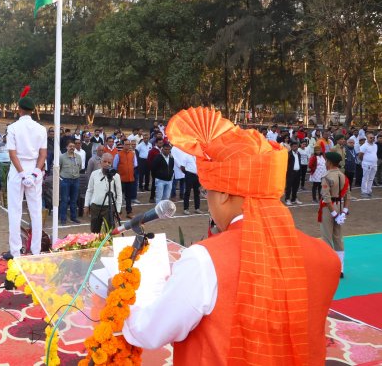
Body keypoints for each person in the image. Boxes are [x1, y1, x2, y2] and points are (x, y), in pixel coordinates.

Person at [123, 107, 340, 364]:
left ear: (225, 194)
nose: (209, 202)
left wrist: (123, 297)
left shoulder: (205, 260)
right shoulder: (325, 256)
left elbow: (149, 332)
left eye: (208, 192)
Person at [4, 86, 47, 259]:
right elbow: (43, 153)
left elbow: (12, 154)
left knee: (15, 211)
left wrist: (22, 174)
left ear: (19, 110)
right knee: (35, 211)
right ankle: (35, 251)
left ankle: (16, 251)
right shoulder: (41, 129)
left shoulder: (13, 127)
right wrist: (35, 173)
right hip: (34, 168)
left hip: (17, 170)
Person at [319, 151, 350, 277]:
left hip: (329, 209)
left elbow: (326, 198)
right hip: (340, 206)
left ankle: (329, 266)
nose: (325, 162)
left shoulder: (327, 176)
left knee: (326, 237)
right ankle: (340, 268)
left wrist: (334, 214)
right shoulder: (344, 176)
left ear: (330, 163)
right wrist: (343, 213)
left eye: (326, 161)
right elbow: (348, 196)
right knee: (338, 238)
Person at [84, 153, 122, 233]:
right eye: (104, 161)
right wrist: (86, 205)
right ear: (100, 162)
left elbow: (119, 194)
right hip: (95, 207)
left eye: (109, 162)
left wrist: (118, 210)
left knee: (110, 232)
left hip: (109, 207)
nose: (106, 164)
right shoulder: (94, 174)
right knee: (94, 232)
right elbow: (89, 190)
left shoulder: (116, 176)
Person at [113, 139, 139, 218]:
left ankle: (129, 212)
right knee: (119, 196)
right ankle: (118, 212)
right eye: (126, 144)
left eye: (129, 144)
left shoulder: (132, 154)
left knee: (129, 197)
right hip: (121, 179)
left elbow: (135, 165)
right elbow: (114, 166)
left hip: (130, 179)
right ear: (123, 145)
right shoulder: (118, 154)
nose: (128, 146)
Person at [58, 140, 82, 225]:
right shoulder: (62, 157)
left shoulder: (78, 157)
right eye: (70, 146)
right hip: (65, 181)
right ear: (67, 147)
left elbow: (80, 168)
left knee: (74, 200)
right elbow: (58, 168)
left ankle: (73, 217)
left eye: (73, 146)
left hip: (76, 181)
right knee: (64, 200)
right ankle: (63, 219)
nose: (72, 147)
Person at [285, 141, 303, 205]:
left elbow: (299, 162)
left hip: (297, 173)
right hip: (290, 173)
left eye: (296, 146)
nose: (295, 147)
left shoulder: (298, 154)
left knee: (296, 187)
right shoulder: (289, 154)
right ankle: (287, 199)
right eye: (294, 146)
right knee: (289, 187)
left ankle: (294, 199)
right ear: (291, 147)